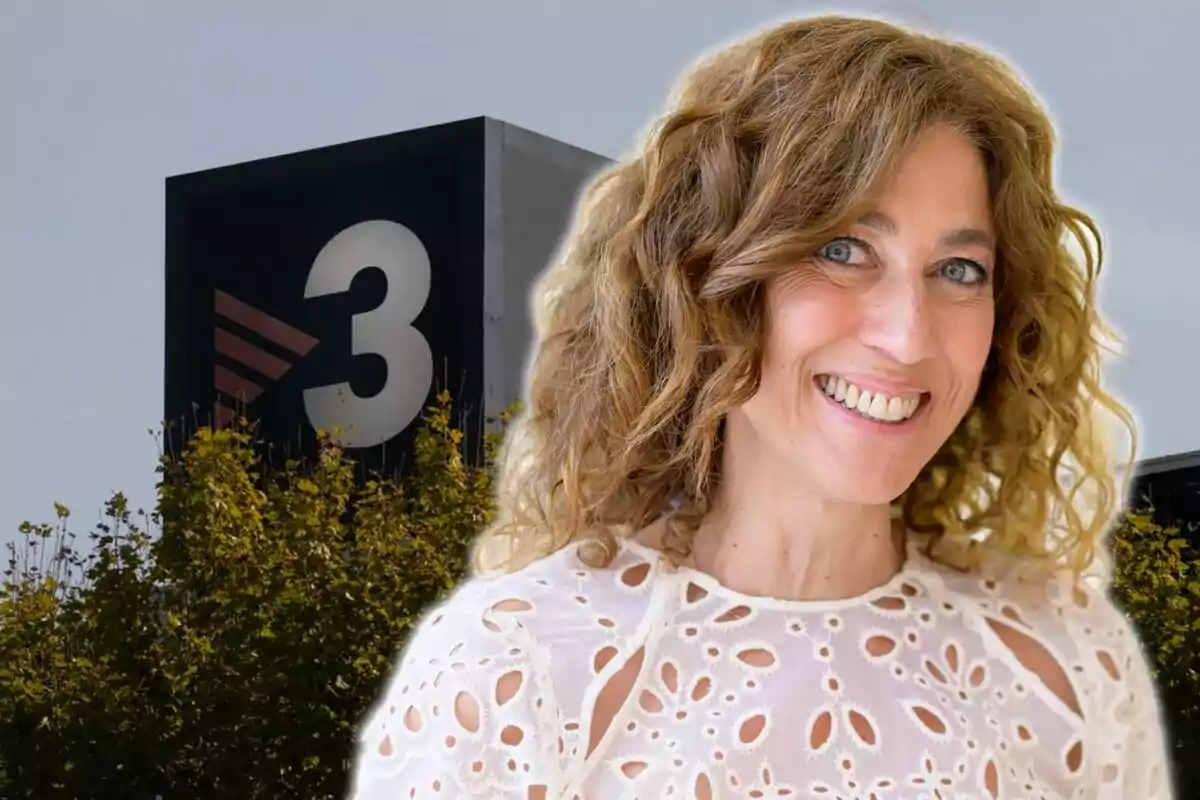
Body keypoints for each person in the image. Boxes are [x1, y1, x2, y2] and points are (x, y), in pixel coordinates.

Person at [350, 15, 1171, 800]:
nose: (907, 336)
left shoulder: (1070, 665)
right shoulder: (514, 667)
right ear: (710, 283)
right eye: (843, 251)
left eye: (958, 270)